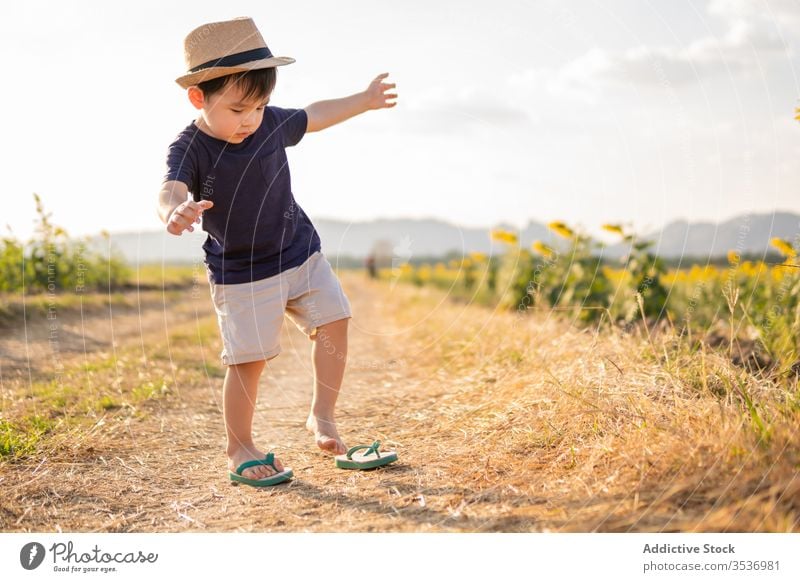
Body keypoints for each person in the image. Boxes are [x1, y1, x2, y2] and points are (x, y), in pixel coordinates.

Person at [156, 17, 397, 485]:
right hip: (243, 274)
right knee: (248, 361)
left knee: (335, 319)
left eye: (261, 106)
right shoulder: (191, 147)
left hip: (299, 252)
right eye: (238, 108)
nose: (250, 119)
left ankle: (322, 417)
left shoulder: (268, 125)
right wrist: (174, 210)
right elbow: (169, 187)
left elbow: (315, 114)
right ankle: (239, 446)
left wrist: (364, 101)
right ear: (198, 97)